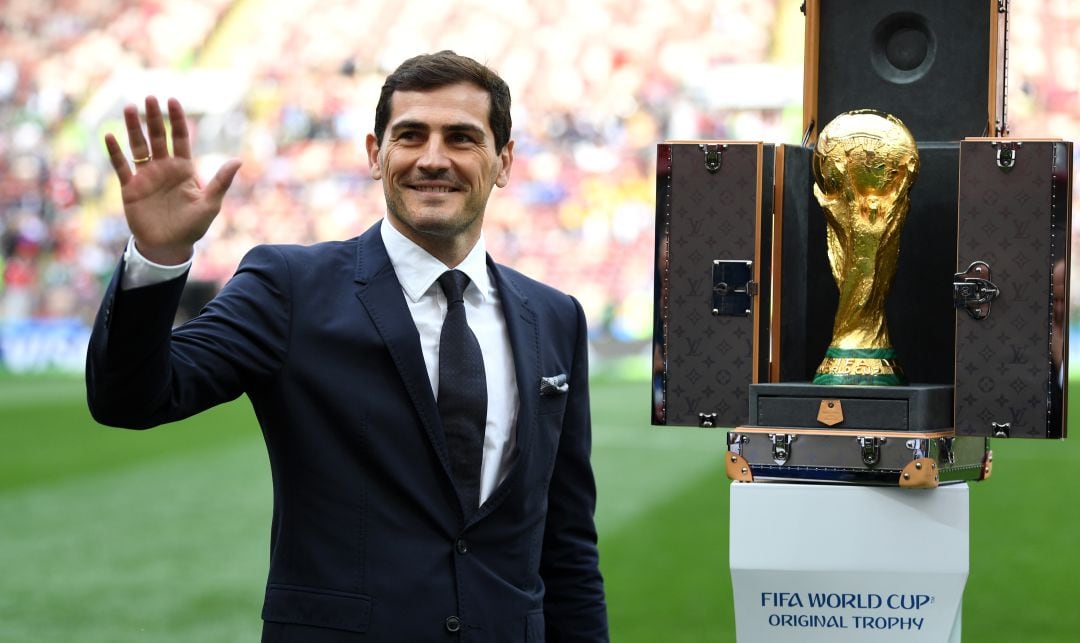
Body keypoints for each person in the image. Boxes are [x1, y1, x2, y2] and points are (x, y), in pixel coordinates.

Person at [86, 51, 608, 642]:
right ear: (374, 154)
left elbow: (566, 546)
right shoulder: (290, 287)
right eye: (410, 135)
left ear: (504, 160)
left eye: (462, 138)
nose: (432, 158)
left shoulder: (555, 316)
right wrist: (156, 259)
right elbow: (131, 398)